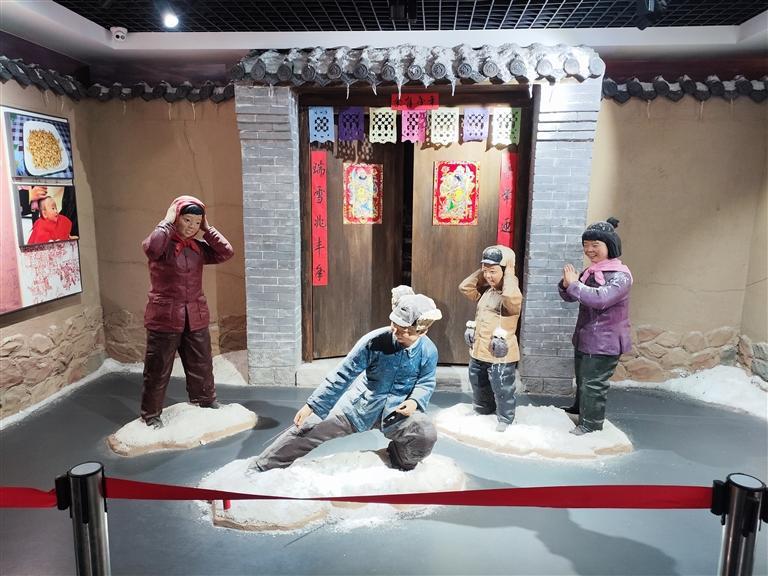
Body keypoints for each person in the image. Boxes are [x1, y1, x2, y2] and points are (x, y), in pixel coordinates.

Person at [252, 287, 443, 472]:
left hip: (397, 411)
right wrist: (313, 405)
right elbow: (343, 374)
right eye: (395, 325)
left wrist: (414, 401)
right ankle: (263, 466)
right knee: (308, 427)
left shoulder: (428, 351)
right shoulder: (374, 341)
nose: (396, 332)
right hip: (360, 406)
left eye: (405, 330)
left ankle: (399, 459)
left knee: (425, 435)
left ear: (422, 331)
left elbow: (426, 381)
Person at [140, 195, 234, 428]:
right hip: (165, 316)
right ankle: (151, 414)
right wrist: (167, 221)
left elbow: (226, 252)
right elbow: (151, 248)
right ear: (176, 217)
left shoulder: (198, 248)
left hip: (195, 314)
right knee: (158, 368)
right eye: (187, 220)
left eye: (197, 222)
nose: (192, 226)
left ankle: (205, 400)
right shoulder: (161, 245)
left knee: (202, 363)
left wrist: (208, 230)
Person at [558, 217, 633, 435]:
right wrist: (566, 284)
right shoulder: (590, 272)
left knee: (594, 384)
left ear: (610, 245)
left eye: (595, 245)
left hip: (604, 341)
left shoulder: (620, 276)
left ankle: (591, 424)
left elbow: (600, 298)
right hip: (586, 337)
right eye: (586, 245)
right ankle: (579, 409)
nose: (589, 250)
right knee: (583, 378)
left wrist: (574, 284)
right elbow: (572, 296)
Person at [459, 245, 523, 432]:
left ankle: (505, 417)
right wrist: (485, 271)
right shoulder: (487, 292)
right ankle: (482, 409)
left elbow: (510, 299)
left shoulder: (511, 294)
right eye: (485, 271)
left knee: (502, 386)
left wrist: (509, 273)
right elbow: (465, 287)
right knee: (478, 381)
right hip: (480, 349)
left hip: (500, 353)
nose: (488, 276)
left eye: (493, 271)